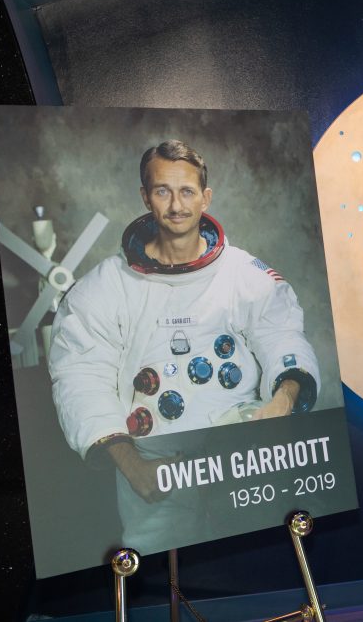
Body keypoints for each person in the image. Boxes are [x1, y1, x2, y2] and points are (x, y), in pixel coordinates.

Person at [48, 140, 320, 551]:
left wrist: (283, 400)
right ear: (145, 196)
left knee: (256, 562)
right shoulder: (105, 288)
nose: (176, 205)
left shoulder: (244, 274)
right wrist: (133, 466)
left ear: (205, 197)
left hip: (241, 455)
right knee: (164, 579)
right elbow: (80, 377)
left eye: (187, 191)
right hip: (156, 465)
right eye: (162, 191)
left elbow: (281, 334)